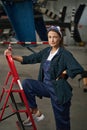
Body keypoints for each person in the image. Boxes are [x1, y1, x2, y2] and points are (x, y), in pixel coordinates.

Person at [4, 26, 87, 130]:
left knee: (61, 120)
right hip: (45, 86)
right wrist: (12, 56)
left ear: (60, 38)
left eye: (55, 37)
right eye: (50, 37)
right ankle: (36, 112)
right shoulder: (47, 51)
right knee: (26, 84)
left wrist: (64, 73)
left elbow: (78, 68)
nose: (52, 40)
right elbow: (30, 58)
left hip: (58, 90)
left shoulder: (64, 54)